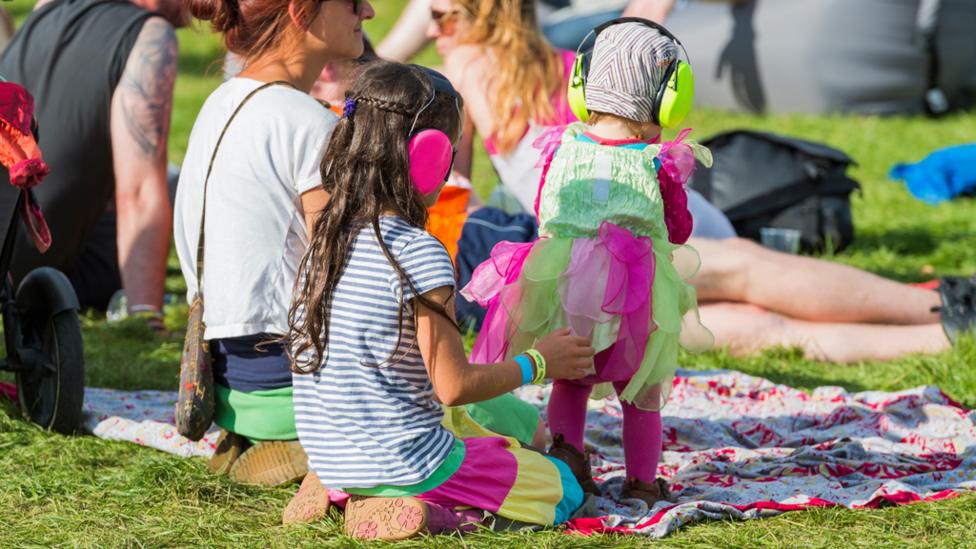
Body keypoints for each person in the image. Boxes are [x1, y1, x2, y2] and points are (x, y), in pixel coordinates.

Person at [287, 61, 592, 540]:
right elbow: (452, 386)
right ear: (429, 155)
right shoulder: (417, 250)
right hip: (411, 464)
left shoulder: (325, 237)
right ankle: (435, 512)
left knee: (492, 423)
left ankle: (339, 489)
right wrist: (538, 362)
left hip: (334, 453)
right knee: (563, 489)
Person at [463, 20, 712, 505]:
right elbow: (678, 230)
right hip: (633, 297)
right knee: (640, 393)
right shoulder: (657, 161)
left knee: (572, 381)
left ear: (581, 83)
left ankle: (570, 458)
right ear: (667, 100)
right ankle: (641, 481)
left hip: (566, 291)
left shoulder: (560, 146)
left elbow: (545, 213)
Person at [174, 0, 375, 486]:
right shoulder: (308, 122)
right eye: (351, 1)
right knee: (501, 418)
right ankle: (310, 446)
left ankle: (254, 437)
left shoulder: (219, 102)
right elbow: (348, 277)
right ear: (300, 13)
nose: (367, 11)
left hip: (224, 386)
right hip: (289, 387)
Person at [0, 0, 184, 326]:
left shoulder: (49, 5)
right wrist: (145, 319)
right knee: (177, 185)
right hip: (25, 262)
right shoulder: (151, 36)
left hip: (10, 221)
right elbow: (140, 191)